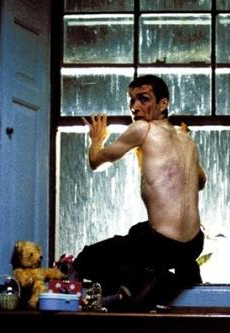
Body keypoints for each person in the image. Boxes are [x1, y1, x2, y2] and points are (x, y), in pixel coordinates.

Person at [74, 74, 206, 311]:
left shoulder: (142, 129)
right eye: (132, 100)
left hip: (163, 245)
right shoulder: (186, 140)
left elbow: (96, 162)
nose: (134, 107)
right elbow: (201, 181)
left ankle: (145, 284)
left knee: (85, 260)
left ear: (163, 104)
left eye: (143, 99)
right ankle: (181, 275)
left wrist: (97, 139)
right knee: (138, 232)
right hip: (194, 244)